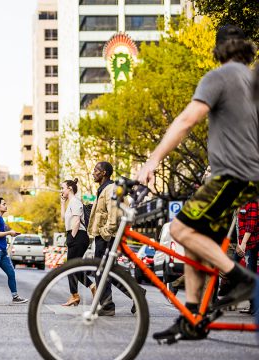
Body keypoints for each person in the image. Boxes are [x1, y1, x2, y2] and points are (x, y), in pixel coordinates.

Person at [136, 25, 258, 341]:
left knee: (179, 229)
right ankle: (193, 316)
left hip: (233, 175)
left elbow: (187, 120)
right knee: (196, 242)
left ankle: (241, 278)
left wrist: (153, 159)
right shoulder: (251, 81)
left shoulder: (219, 77)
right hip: (245, 176)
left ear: (217, 50)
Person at [87, 161, 145, 315]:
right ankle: (137, 292)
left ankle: (107, 306)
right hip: (105, 236)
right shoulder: (103, 189)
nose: (93, 172)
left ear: (104, 173)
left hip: (107, 236)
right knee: (108, 271)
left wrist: (105, 232)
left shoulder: (110, 188)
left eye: (96, 170)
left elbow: (114, 215)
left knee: (102, 271)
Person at [60, 178, 96, 306]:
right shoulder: (71, 202)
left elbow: (76, 221)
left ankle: (75, 295)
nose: (61, 190)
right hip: (76, 236)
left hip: (78, 236)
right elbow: (64, 217)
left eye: (63, 188)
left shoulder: (75, 202)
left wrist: (71, 238)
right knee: (73, 267)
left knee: (70, 267)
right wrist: (62, 203)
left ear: (69, 188)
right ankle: (91, 287)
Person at [0, 197, 28, 304]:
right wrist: (9, 233)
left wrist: (12, 233)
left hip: (2, 251)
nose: (6, 205)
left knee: (11, 273)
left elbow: (1, 233)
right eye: (4, 204)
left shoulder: (0, 218)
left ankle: (15, 296)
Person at [235, 199, 258, 314]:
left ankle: (254, 306)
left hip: (252, 243)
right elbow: (239, 227)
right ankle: (252, 305)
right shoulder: (241, 203)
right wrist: (239, 243)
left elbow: (251, 225)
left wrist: (243, 243)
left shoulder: (252, 202)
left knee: (250, 273)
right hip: (245, 244)